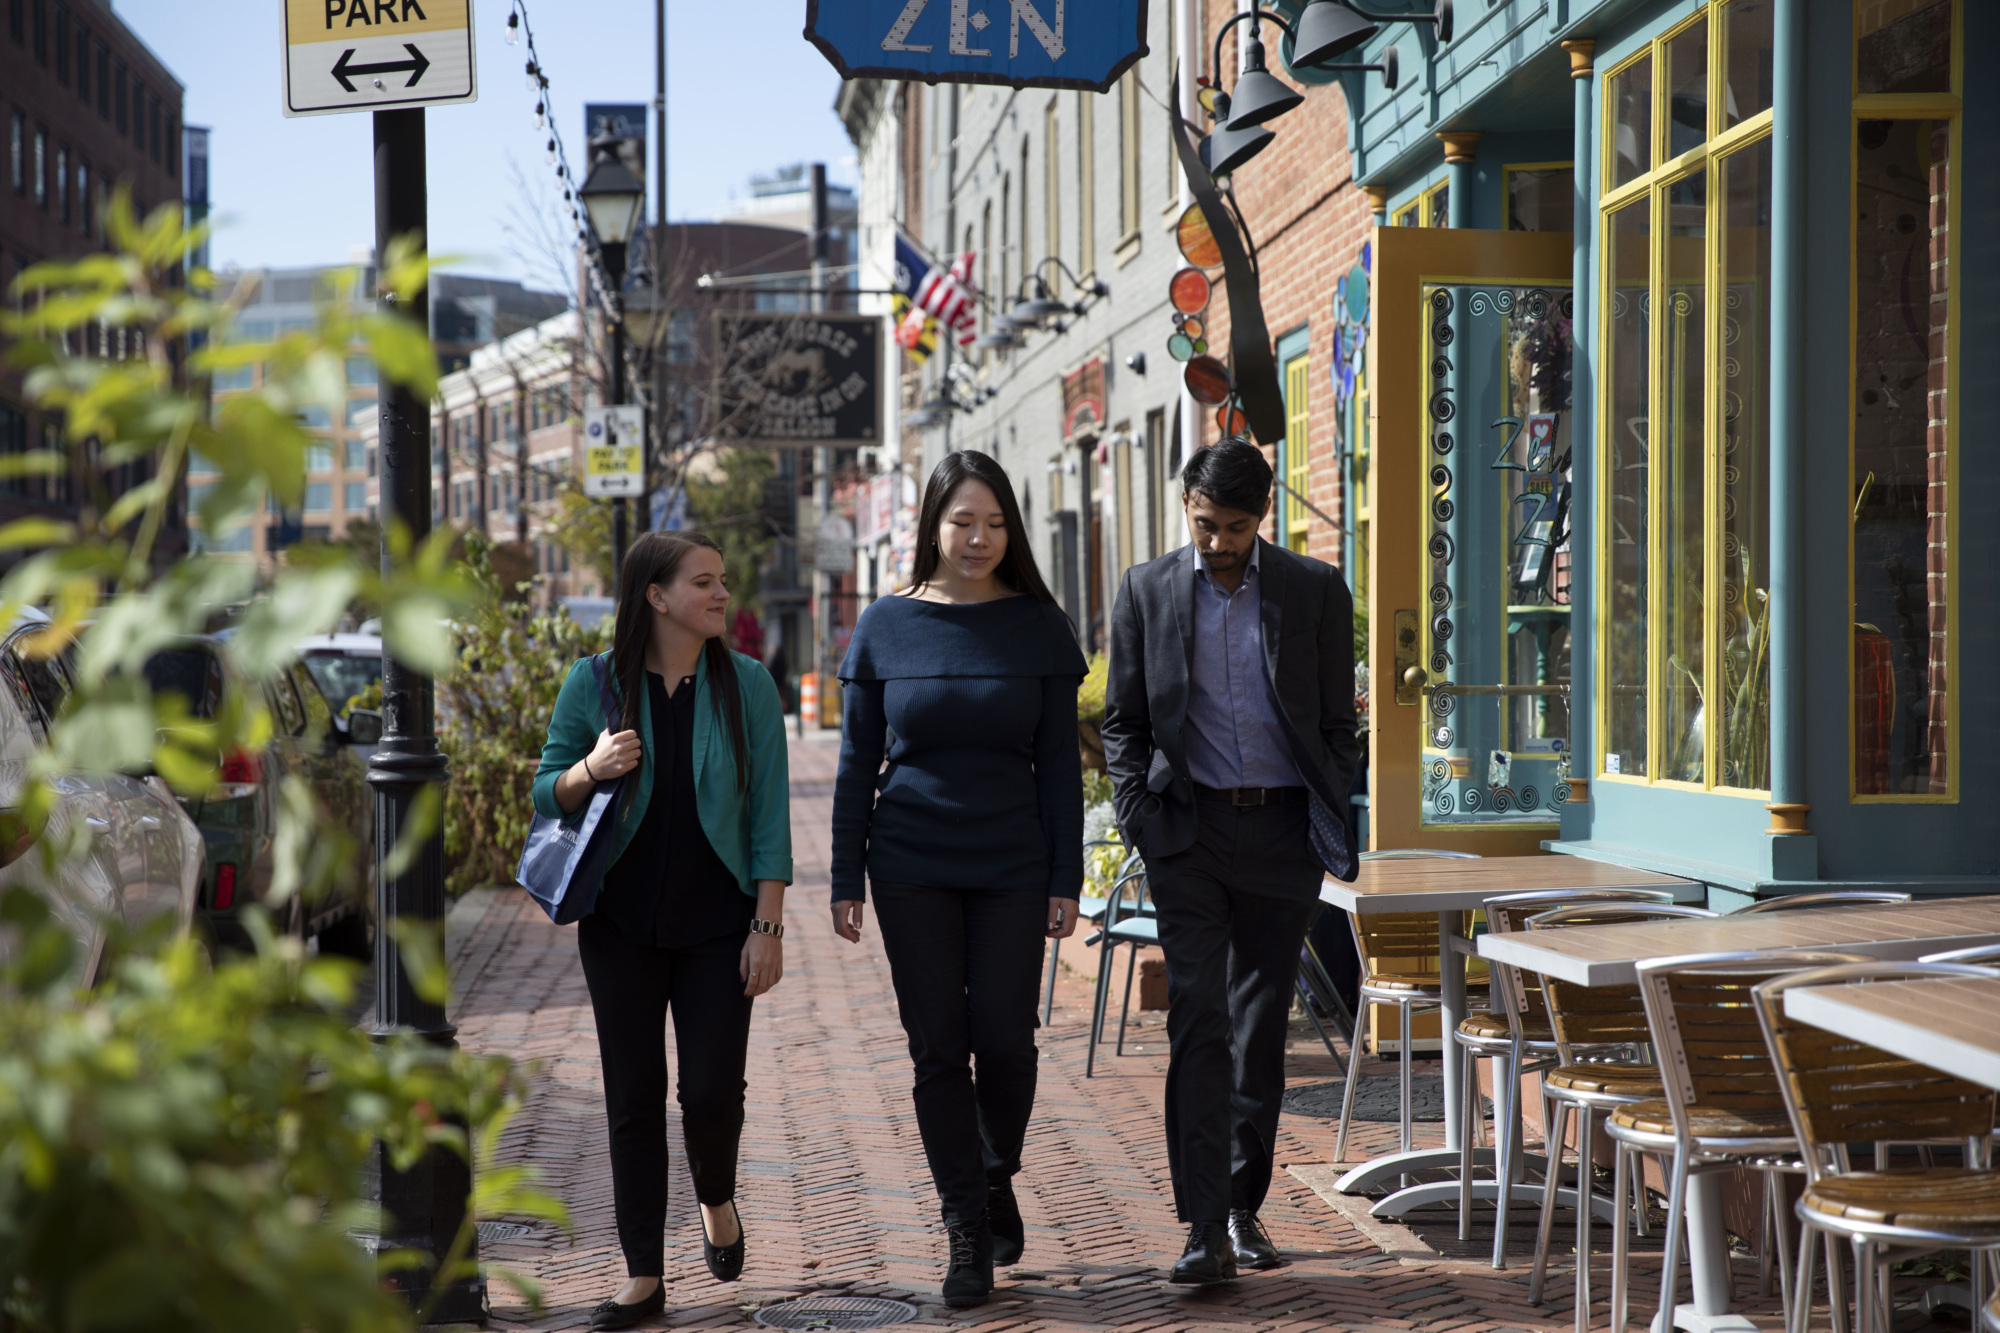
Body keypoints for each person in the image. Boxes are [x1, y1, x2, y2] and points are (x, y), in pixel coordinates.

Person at [829, 450, 1086, 1309]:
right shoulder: (885, 624)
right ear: (931, 525)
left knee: (1007, 1038)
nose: (979, 538)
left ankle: (992, 1167)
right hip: (909, 861)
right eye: (962, 521)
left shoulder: (1040, 626)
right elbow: (857, 758)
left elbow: (1058, 769)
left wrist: (1065, 875)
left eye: (995, 523)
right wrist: (844, 874)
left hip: (1013, 857)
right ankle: (965, 1226)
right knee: (939, 1045)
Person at [1101, 438, 1360, 1285]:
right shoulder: (1144, 590)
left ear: (1264, 515)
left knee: (1259, 1031)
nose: (1218, 541)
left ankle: (1244, 1210)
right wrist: (1139, 816)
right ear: (1187, 504)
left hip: (1283, 834)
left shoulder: (1314, 589)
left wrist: (1337, 787)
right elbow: (1124, 723)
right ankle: (1203, 1226)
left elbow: (1334, 720)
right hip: (1189, 836)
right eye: (1206, 523)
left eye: (1236, 527)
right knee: (1197, 1022)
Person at [532, 531, 794, 1331]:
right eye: (704, 582)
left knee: (711, 1093)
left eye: (722, 579)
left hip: (720, 927)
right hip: (620, 928)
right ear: (655, 595)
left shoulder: (747, 686)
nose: (722, 595)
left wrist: (768, 924)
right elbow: (546, 791)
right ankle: (643, 1274)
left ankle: (716, 1192)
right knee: (633, 1099)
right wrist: (591, 767)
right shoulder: (596, 682)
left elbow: (768, 818)